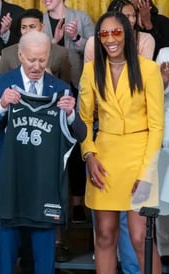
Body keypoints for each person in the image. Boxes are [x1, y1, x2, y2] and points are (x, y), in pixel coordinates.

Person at [0, 30, 85, 274]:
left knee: (43, 257)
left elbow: (81, 134)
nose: (36, 66)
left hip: (45, 183)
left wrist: (71, 114)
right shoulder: (1, 83)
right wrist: (1, 104)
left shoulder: (61, 88)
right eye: (31, 59)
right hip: (8, 180)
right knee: (6, 255)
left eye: (42, 60)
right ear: (20, 55)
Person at [79, 11, 163, 274]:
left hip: (140, 160)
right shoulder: (92, 69)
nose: (110, 39)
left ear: (127, 33)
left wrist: (147, 172)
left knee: (140, 238)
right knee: (104, 236)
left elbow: (157, 126)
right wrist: (89, 155)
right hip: (103, 160)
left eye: (116, 32)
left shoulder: (148, 70)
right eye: (104, 34)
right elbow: (82, 120)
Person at [0, 8, 71, 83]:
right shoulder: (7, 53)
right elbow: (1, 84)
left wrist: (50, 78)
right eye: (23, 27)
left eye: (32, 27)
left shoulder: (61, 53)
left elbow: (65, 86)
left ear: (42, 27)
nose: (27, 31)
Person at [41, 0, 94, 89]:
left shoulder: (82, 17)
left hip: (78, 81)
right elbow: (36, 53)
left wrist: (75, 37)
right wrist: (54, 41)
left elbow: (95, 50)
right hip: (49, 82)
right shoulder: (39, 21)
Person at [85, 0, 155, 62]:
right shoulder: (93, 42)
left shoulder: (146, 40)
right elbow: (89, 74)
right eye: (127, 17)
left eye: (134, 15)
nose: (132, 20)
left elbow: (144, 72)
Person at [155, 47, 169, 263]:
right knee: (164, 201)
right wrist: (164, 81)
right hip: (165, 136)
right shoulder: (165, 53)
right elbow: (156, 94)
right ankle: (166, 250)